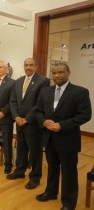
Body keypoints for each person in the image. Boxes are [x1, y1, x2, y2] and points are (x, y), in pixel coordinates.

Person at [35, 62, 91, 210]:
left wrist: (62, 125)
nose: (57, 75)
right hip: (49, 138)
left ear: (68, 73)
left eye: (60, 72)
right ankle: (51, 192)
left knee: (69, 172)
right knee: (52, 167)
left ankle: (69, 202)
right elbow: (38, 111)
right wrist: (44, 121)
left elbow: (85, 115)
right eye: (54, 73)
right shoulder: (45, 91)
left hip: (67, 139)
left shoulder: (80, 92)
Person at [7, 58, 50, 189]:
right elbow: (12, 101)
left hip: (33, 123)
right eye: (26, 65)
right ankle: (20, 171)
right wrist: (16, 117)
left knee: (35, 152)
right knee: (21, 148)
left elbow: (40, 103)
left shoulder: (43, 81)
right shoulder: (18, 82)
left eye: (31, 65)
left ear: (36, 67)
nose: (28, 67)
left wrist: (27, 119)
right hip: (19, 122)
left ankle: (35, 177)